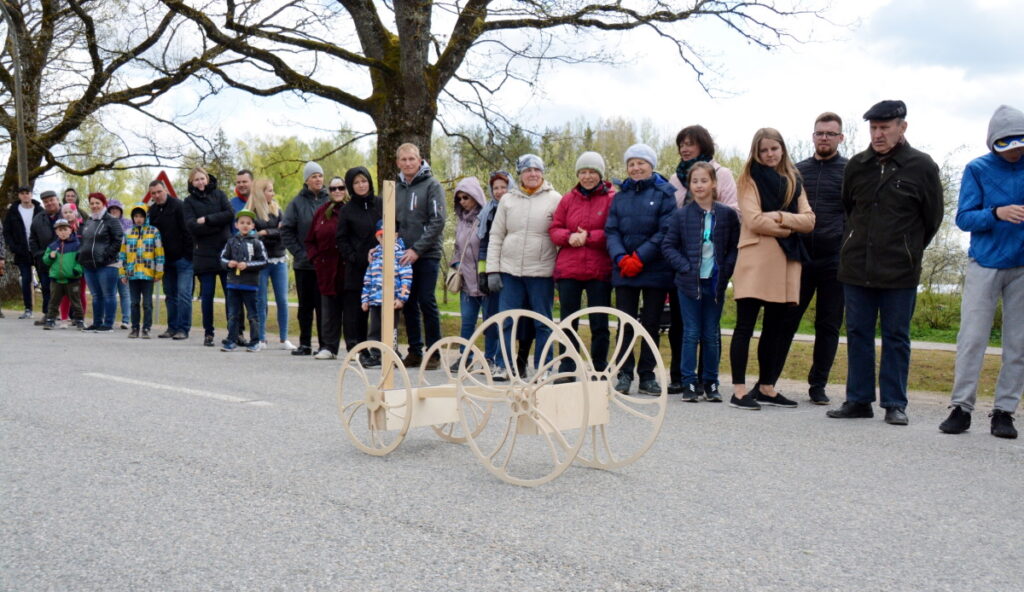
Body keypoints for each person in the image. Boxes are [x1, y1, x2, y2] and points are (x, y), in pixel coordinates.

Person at [828, 100, 944, 425]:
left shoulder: (922, 166)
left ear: (902, 127)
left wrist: (909, 249)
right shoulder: (857, 165)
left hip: (900, 269)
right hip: (856, 266)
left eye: (885, 128)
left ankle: (894, 402)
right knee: (858, 333)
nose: (878, 134)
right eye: (873, 128)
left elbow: (932, 218)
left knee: (896, 336)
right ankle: (858, 400)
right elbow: (849, 208)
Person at [939, 104, 1024, 440]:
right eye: (1007, 143)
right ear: (995, 141)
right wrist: (996, 213)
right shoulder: (977, 169)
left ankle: (1004, 412)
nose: (1015, 149)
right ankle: (961, 408)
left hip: (1021, 267)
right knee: (972, 339)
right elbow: (963, 218)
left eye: (1020, 142)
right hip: (984, 264)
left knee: (1018, 344)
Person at [729, 128, 816, 410]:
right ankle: (739, 391)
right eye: (763, 150)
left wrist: (779, 216)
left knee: (774, 329)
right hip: (756, 260)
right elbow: (753, 220)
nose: (769, 155)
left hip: (786, 262)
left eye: (774, 149)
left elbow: (809, 220)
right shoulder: (748, 178)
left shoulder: (794, 179)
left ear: (782, 149)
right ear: (756, 152)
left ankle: (766, 387)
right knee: (745, 326)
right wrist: (790, 227)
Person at [772, 112, 849, 405]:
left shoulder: (850, 171)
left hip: (835, 260)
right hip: (800, 259)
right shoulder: (797, 171)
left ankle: (818, 385)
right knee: (785, 322)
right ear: (813, 136)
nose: (824, 138)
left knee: (828, 326)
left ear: (840, 138)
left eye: (830, 133)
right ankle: (768, 382)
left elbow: (855, 213)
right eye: (820, 133)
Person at [662, 162, 741, 402]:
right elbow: (668, 246)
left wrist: (726, 270)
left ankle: (711, 383)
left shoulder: (727, 215)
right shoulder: (681, 215)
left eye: (704, 180)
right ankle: (689, 382)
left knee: (710, 334)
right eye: (694, 181)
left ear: (714, 183)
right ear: (689, 185)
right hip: (688, 284)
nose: (699, 185)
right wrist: (685, 267)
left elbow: (734, 247)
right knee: (691, 333)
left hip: (714, 284)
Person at [605, 144, 678, 395]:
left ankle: (647, 375)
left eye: (641, 163)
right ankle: (624, 373)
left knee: (651, 324)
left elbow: (665, 230)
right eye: (632, 164)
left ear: (651, 165)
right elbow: (611, 230)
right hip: (624, 269)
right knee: (625, 324)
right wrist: (621, 258)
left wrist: (640, 257)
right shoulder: (620, 196)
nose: (636, 168)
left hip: (655, 268)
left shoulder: (665, 193)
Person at [485, 154, 562, 381]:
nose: (533, 174)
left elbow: (560, 235)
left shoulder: (555, 199)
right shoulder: (508, 200)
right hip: (510, 271)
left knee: (543, 323)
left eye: (537, 170)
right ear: (520, 175)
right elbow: (496, 235)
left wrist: (560, 272)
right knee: (506, 320)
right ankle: (503, 365)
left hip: (541, 271)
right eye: (528, 170)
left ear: (542, 173)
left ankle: (544, 367)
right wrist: (492, 270)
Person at [549, 151, 615, 380]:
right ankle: (567, 367)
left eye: (592, 172)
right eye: (583, 172)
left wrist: (589, 237)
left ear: (600, 174)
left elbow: (613, 231)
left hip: (599, 270)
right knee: (568, 322)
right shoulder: (568, 199)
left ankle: (599, 368)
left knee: (599, 322)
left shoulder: (611, 199)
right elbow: (554, 229)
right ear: (578, 174)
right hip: (569, 269)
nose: (587, 177)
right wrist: (569, 237)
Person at [394, 143, 446, 369]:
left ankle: (434, 353)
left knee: (426, 300)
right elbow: (391, 221)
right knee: (408, 302)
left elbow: (438, 221)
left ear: (420, 160)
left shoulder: (432, 185)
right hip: (403, 255)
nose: (408, 163)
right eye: (403, 159)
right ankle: (414, 351)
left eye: (411, 159)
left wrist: (417, 250)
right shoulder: (396, 188)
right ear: (398, 162)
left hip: (427, 253)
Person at [182, 166, 234, 347]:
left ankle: (234, 332)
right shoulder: (188, 202)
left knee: (230, 295)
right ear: (192, 182)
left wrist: (207, 220)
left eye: (202, 178)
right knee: (207, 295)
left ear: (207, 179)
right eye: (196, 179)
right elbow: (191, 226)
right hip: (204, 254)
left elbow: (230, 214)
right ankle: (208, 333)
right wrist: (218, 224)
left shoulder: (220, 195)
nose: (200, 182)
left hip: (224, 252)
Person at [281, 161, 328, 356]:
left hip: (325, 265)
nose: (318, 179)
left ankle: (325, 345)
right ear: (307, 180)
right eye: (313, 176)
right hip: (304, 264)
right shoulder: (297, 203)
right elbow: (286, 231)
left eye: (320, 176)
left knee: (324, 306)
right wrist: (301, 254)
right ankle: (305, 343)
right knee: (306, 307)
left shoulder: (330, 200)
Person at [336, 166, 380, 353]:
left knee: (380, 309)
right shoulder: (347, 210)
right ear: (350, 186)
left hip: (380, 267)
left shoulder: (380, 204)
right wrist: (354, 257)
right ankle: (359, 349)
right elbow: (341, 239)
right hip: (357, 268)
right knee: (358, 311)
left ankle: (381, 349)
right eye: (356, 182)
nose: (361, 185)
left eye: (364, 181)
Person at [305, 176, 348, 360]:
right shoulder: (322, 212)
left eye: (341, 187)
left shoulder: (351, 210)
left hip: (348, 267)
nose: (337, 191)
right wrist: (315, 258)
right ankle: (329, 346)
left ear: (346, 189)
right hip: (326, 268)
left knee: (351, 311)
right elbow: (310, 240)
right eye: (333, 188)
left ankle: (355, 347)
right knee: (329, 310)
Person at [361, 221, 413, 367]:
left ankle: (393, 354)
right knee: (374, 329)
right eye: (381, 236)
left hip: (392, 301)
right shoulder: (375, 255)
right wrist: (365, 299)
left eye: (388, 235)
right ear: (377, 237)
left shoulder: (401, 254)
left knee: (391, 329)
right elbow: (368, 279)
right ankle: (376, 355)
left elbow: (406, 278)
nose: (385, 239)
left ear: (395, 236)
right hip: (375, 301)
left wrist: (402, 298)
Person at [147, 179, 193, 340]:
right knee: (170, 295)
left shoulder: (179, 206)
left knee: (183, 295)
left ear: (165, 190)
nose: (157, 195)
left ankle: (183, 329)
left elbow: (188, 232)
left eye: (159, 191)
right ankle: (172, 327)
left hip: (183, 260)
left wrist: (188, 255)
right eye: (153, 193)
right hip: (165, 261)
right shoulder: (152, 211)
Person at [251, 177, 294, 350]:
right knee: (260, 300)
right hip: (261, 261)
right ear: (261, 193)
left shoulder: (278, 210)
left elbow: (283, 232)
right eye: (269, 190)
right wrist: (269, 233)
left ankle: (284, 339)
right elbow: (253, 235)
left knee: (282, 300)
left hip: (279, 259)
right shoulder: (252, 213)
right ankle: (261, 338)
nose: (273, 193)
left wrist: (265, 232)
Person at [450, 176, 487, 369]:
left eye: (466, 197)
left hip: (485, 280)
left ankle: (492, 358)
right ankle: (465, 357)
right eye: (459, 198)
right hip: (466, 282)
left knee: (490, 323)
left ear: (476, 196)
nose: (463, 202)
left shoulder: (487, 218)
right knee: (467, 322)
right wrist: (457, 264)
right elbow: (457, 249)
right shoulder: (461, 222)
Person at [220, 210, 268, 352]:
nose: (245, 225)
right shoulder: (231, 241)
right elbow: (222, 258)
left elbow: (264, 261)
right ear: (236, 225)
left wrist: (247, 265)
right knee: (233, 314)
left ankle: (255, 341)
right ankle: (231, 340)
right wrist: (229, 264)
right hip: (233, 284)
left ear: (253, 226)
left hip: (250, 285)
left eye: (248, 223)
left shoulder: (257, 243)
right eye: (242, 223)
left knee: (252, 315)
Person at [476, 171, 510, 368]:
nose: (499, 191)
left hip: (510, 267)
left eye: (503, 187)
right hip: (491, 267)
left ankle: (503, 358)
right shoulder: (487, 212)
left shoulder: (515, 208)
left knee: (507, 317)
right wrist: (483, 271)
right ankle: (489, 356)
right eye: (495, 188)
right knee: (490, 315)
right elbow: (483, 244)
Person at [79, 192, 125, 332]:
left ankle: (108, 324)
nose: (94, 206)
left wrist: (106, 256)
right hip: (89, 264)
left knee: (108, 295)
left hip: (107, 265)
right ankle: (97, 322)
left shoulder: (112, 220)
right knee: (96, 295)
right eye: (92, 203)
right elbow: (85, 240)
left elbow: (118, 240)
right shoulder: (89, 221)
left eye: (97, 203)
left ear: (103, 204)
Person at [119, 203, 164, 339]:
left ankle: (146, 328)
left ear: (146, 217)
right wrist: (122, 272)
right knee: (134, 303)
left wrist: (159, 272)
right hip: (132, 274)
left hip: (148, 273)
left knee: (147, 303)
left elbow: (159, 253)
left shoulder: (154, 232)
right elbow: (122, 254)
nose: (138, 219)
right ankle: (134, 328)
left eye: (141, 216)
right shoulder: (128, 233)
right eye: (136, 216)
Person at [4, 186, 43, 319]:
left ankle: (48, 310)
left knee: (44, 279)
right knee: (26, 280)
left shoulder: (39, 210)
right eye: (22, 193)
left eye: (27, 193)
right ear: (19, 196)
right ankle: (28, 309)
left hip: (38, 250)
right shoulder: (13, 211)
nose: (25, 195)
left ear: (31, 194)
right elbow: (7, 231)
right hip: (22, 251)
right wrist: (14, 247)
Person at [42, 219, 84, 330]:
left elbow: (81, 260)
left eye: (65, 229)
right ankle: (50, 320)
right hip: (56, 280)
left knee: (76, 301)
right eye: (60, 230)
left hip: (72, 279)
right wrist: (50, 257)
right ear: (56, 232)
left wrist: (77, 270)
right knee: (53, 301)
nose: (63, 232)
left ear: (70, 230)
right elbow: (46, 261)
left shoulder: (77, 245)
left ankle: (79, 320)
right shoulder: (52, 246)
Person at [28, 190, 62, 325]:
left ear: (57, 199)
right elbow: (32, 239)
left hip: (64, 258)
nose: (49, 203)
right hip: (44, 259)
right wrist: (38, 255)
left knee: (68, 288)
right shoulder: (38, 218)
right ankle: (48, 314)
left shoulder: (67, 213)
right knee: (47, 288)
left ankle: (73, 316)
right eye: (46, 202)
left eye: (51, 200)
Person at [57, 203, 87, 325]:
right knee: (65, 293)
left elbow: (86, 243)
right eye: (65, 212)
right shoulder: (60, 228)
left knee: (80, 293)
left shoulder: (83, 227)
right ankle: (64, 318)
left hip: (81, 264)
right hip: (66, 265)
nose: (68, 214)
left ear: (75, 213)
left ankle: (80, 318)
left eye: (70, 212)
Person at [106, 198, 132, 329]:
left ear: (121, 210)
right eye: (111, 209)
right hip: (109, 263)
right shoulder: (104, 224)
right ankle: (108, 319)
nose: (114, 211)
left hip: (124, 263)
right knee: (109, 293)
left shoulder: (128, 223)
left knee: (125, 292)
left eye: (116, 209)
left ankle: (126, 320)